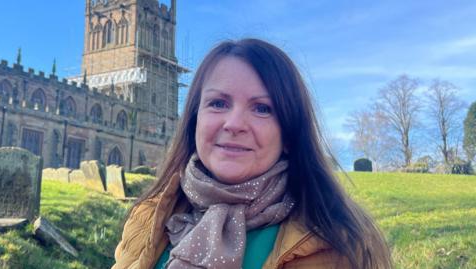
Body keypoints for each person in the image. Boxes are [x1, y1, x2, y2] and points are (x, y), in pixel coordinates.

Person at [112, 38, 392, 269]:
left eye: (261, 108)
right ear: (195, 119)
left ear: (289, 134)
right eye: (218, 103)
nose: (233, 124)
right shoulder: (148, 218)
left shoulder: (339, 242)